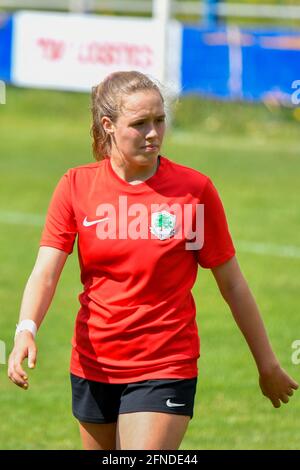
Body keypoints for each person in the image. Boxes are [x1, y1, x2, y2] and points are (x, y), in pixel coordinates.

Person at [8, 71, 298, 451]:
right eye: (140, 123)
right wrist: (25, 329)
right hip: (93, 363)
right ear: (108, 126)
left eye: (159, 120)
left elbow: (233, 284)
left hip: (166, 363)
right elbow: (45, 273)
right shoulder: (76, 186)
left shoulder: (194, 191)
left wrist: (267, 363)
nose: (154, 133)